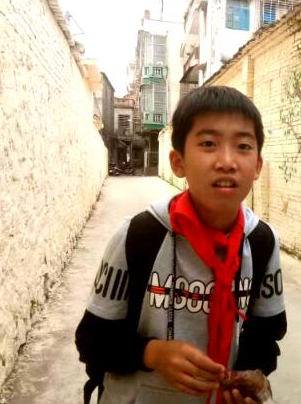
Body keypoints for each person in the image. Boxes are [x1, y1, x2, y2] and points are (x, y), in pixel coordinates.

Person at [75, 86, 287, 404]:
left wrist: (246, 377)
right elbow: (92, 340)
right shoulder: (139, 236)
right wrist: (152, 353)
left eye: (243, 146)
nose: (227, 161)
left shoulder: (261, 242)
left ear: (257, 165)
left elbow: (266, 336)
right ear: (178, 162)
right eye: (208, 144)